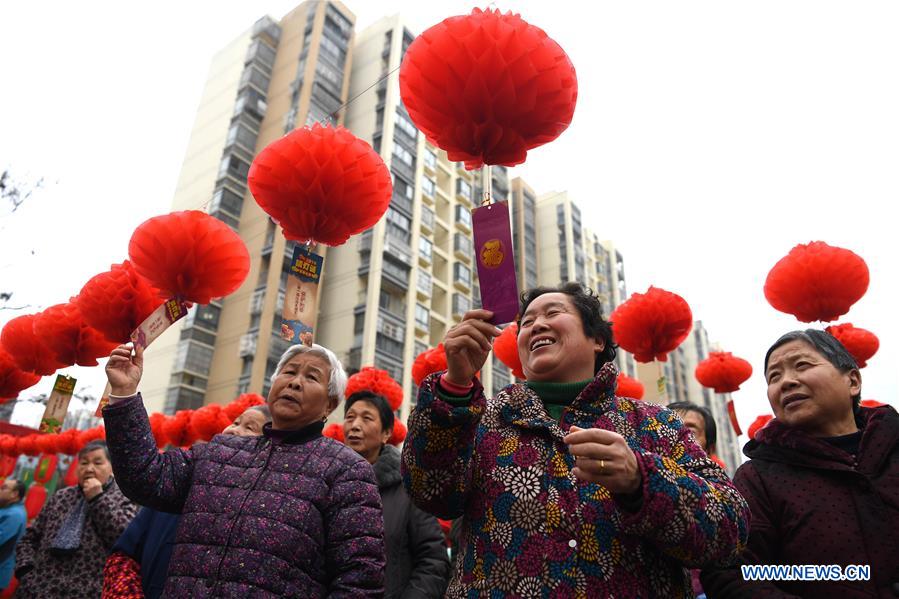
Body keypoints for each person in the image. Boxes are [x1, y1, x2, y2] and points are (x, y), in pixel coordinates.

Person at [402, 282, 750, 597]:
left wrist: (641, 480)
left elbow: (730, 532)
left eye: (553, 312)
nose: (536, 324)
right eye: (526, 322)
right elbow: (428, 492)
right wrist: (455, 388)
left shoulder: (655, 425)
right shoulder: (483, 420)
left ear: (598, 339)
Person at [102, 342, 385, 597]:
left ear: (330, 404)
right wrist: (124, 394)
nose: (295, 383)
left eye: (311, 377)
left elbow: (359, 580)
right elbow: (145, 477)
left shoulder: (347, 472)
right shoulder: (218, 452)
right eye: (288, 373)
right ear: (272, 387)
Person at [701, 329, 899, 598]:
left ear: (853, 381)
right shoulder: (758, 478)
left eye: (802, 365)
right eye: (774, 376)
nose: (786, 382)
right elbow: (733, 574)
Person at [102, 404, 271, 599]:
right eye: (235, 422)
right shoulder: (175, 486)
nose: (233, 429)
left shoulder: (263, 512)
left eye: (249, 428)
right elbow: (124, 556)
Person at [343, 391, 450, 598]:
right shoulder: (327, 485)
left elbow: (433, 562)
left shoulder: (408, 491)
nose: (355, 425)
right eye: (350, 417)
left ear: (386, 433)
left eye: (366, 418)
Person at [14, 441, 139, 598]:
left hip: (87, 591)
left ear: (111, 468)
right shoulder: (61, 496)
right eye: (84, 463)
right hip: (37, 589)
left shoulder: (124, 499)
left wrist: (98, 499)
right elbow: (29, 538)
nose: (89, 469)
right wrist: (25, 571)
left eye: (98, 462)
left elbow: (123, 539)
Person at [0, 478, 27, 593]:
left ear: (14, 494)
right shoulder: (7, 508)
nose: (0, 490)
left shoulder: (15, 515)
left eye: (3, 488)